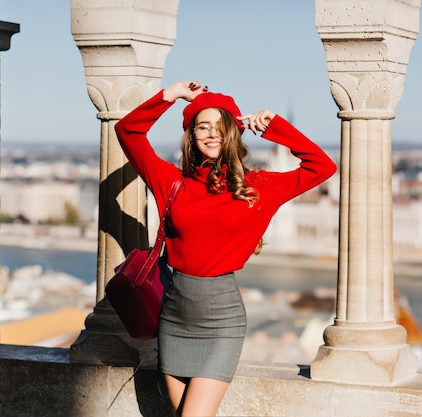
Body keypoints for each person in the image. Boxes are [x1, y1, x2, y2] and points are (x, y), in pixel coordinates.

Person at [115, 80, 337, 416]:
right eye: (202, 126)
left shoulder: (259, 188)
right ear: (191, 135)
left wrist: (276, 127)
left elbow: (322, 166)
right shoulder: (172, 182)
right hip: (174, 317)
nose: (211, 134)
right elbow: (128, 132)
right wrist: (170, 96)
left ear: (234, 133)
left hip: (221, 321)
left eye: (220, 127)